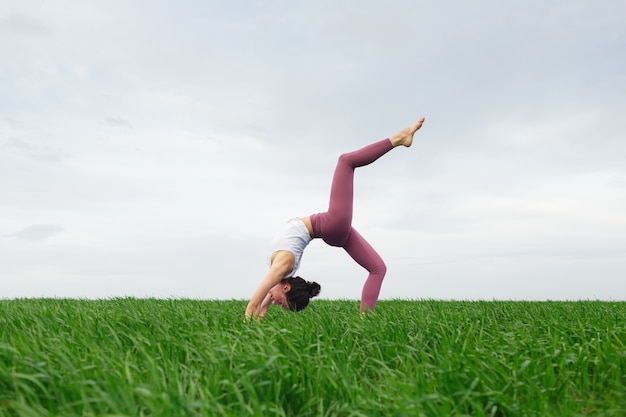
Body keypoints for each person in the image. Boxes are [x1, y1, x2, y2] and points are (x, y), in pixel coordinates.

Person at [245, 117, 426, 319]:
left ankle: (365, 321)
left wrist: (255, 317)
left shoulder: (281, 271)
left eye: (278, 303)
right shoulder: (283, 269)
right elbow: (258, 305)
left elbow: (256, 306)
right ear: (287, 288)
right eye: (281, 303)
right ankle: (399, 138)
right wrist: (257, 313)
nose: (275, 302)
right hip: (331, 226)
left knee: (378, 269)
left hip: (332, 227)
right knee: (346, 162)